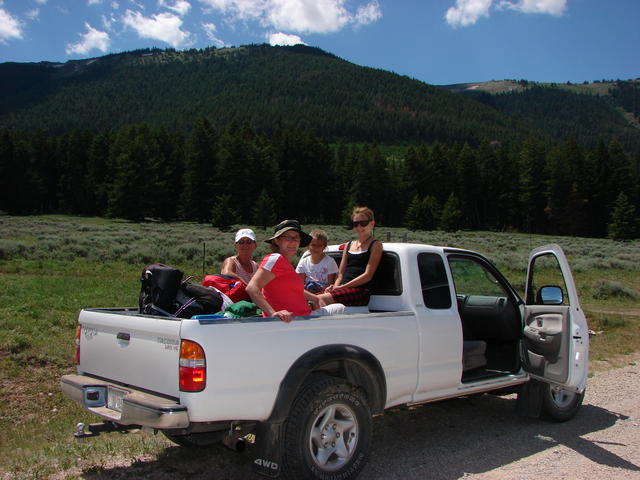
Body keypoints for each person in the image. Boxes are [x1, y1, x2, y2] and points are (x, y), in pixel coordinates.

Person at [246, 220, 344, 323]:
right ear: (277, 241)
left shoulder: (286, 264)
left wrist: (316, 298)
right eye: (287, 237)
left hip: (301, 318)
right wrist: (273, 313)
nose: (292, 242)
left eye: (296, 238)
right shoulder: (275, 259)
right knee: (340, 309)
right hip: (292, 320)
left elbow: (296, 289)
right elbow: (252, 288)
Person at [318, 206, 382, 307]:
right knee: (310, 297)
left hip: (360, 292)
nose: (359, 227)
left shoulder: (375, 245)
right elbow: (340, 274)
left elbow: (368, 275)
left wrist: (342, 287)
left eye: (363, 223)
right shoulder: (348, 245)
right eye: (356, 224)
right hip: (343, 290)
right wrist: (335, 286)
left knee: (317, 300)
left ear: (372, 223)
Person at [295, 229, 339, 293]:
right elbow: (300, 283)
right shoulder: (303, 262)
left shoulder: (330, 262)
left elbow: (330, 284)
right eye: (313, 245)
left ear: (324, 247)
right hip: (307, 293)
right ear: (308, 246)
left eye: (320, 245)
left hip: (323, 293)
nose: (316, 248)